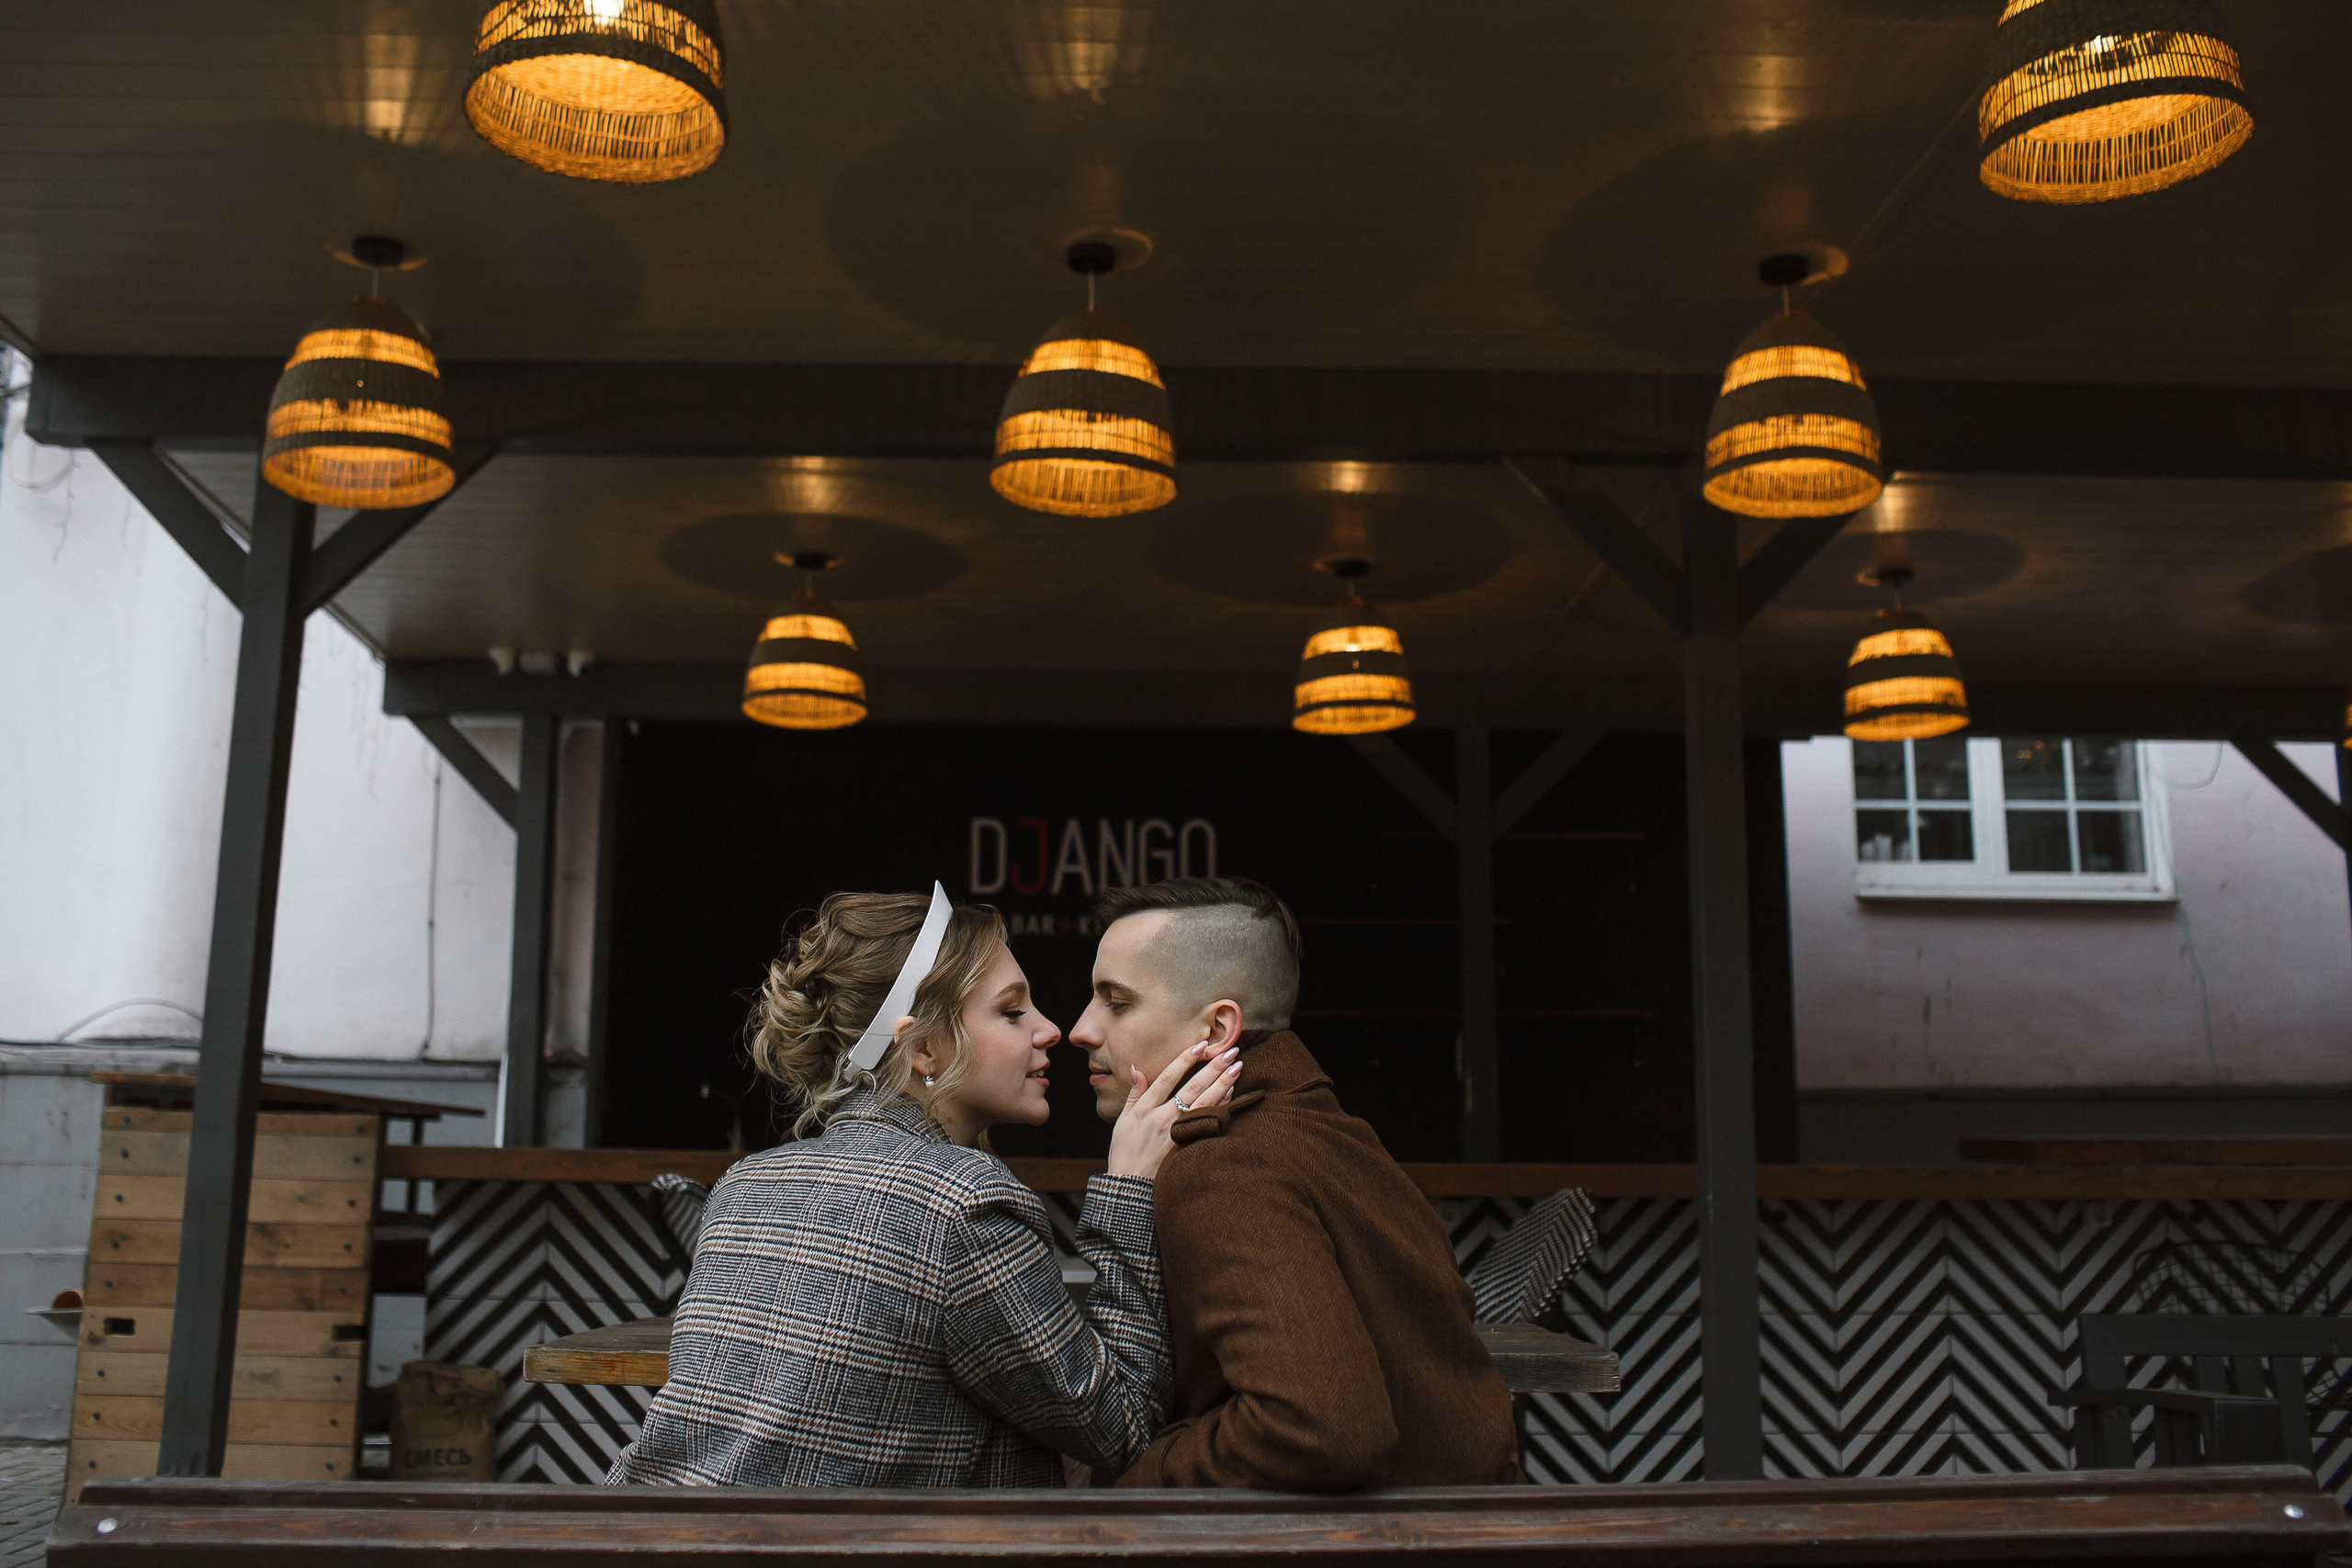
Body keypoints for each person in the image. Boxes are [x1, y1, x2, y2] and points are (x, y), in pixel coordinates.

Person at [607, 886, 1241, 1488]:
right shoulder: (962, 1202)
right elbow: (1123, 1426)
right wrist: (1127, 1188)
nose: (1051, 1029)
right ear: (926, 1047)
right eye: (1012, 1010)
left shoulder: (741, 1185)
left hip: (654, 1536)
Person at [1069, 876, 1521, 1490]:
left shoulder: (1221, 1167)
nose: (1081, 1029)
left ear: (1217, 1027)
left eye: (1116, 1001)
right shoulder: (1330, 1129)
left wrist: (1132, 1480)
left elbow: (1316, 1426)